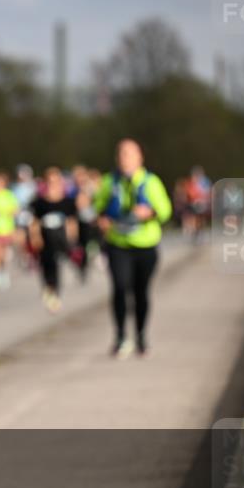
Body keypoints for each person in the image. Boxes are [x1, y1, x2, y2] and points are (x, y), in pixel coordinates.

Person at [95, 139, 172, 359]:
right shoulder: (109, 182)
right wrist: (102, 220)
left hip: (145, 245)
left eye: (129, 154)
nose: (124, 159)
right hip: (118, 244)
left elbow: (166, 211)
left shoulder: (151, 182)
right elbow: (98, 207)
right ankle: (120, 336)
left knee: (141, 293)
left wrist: (149, 212)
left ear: (140, 158)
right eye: (121, 154)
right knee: (120, 288)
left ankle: (140, 335)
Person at [30, 168, 79, 313]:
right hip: (45, 239)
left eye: (56, 181)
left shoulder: (68, 202)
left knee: (57, 266)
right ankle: (48, 288)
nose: (53, 184)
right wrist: (35, 237)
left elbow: (72, 222)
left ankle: (55, 293)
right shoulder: (39, 203)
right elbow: (34, 223)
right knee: (47, 266)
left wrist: (72, 240)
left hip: (61, 238)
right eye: (50, 181)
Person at [181, 165, 212, 243]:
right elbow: (188, 193)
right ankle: (195, 233)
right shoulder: (191, 182)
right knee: (194, 218)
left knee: (201, 218)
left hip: (202, 203)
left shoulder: (205, 182)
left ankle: (200, 232)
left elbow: (208, 192)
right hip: (193, 203)